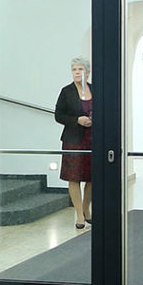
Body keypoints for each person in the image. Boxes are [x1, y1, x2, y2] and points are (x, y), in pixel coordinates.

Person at [54, 56, 93, 232]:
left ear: (87, 72)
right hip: (73, 140)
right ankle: (79, 214)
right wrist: (77, 119)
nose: (77, 72)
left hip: (93, 138)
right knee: (74, 176)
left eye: (80, 69)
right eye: (74, 70)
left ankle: (86, 208)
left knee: (92, 178)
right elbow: (59, 115)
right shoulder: (66, 91)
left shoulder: (95, 89)